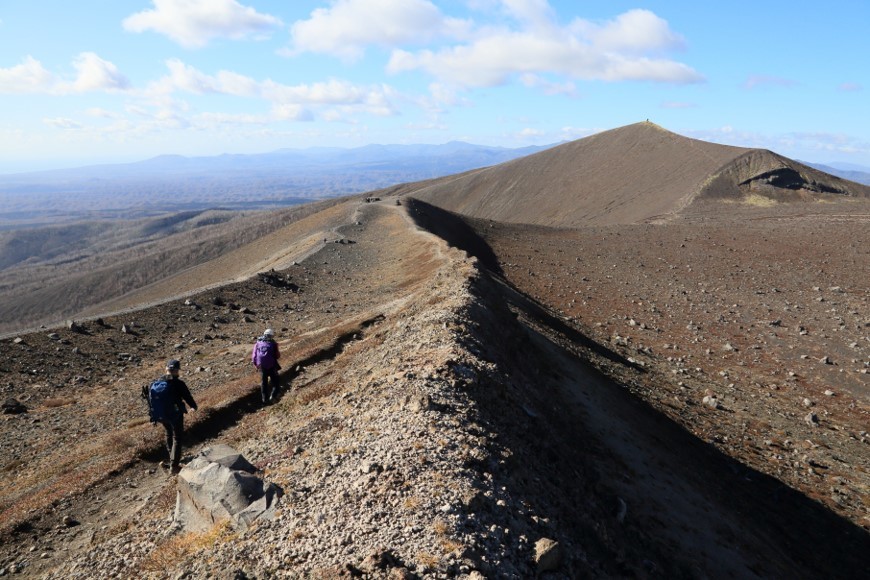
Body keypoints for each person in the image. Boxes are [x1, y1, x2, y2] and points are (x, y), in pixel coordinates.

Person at [155, 359, 197, 473]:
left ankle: (171, 458)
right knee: (177, 437)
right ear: (177, 370)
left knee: (168, 433)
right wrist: (193, 406)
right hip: (175, 413)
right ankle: (174, 466)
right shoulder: (178, 383)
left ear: (166, 369)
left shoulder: (158, 382)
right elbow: (187, 396)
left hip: (162, 415)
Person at [252, 328, 281, 403]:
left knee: (264, 383)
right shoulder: (273, 343)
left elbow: (254, 356)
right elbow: (277, 356)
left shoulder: (257, 343)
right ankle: (273, 396)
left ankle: (265, 399)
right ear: (271, 336)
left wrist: (256, 364)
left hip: (261, 365)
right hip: (271, 365)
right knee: (276, 383)